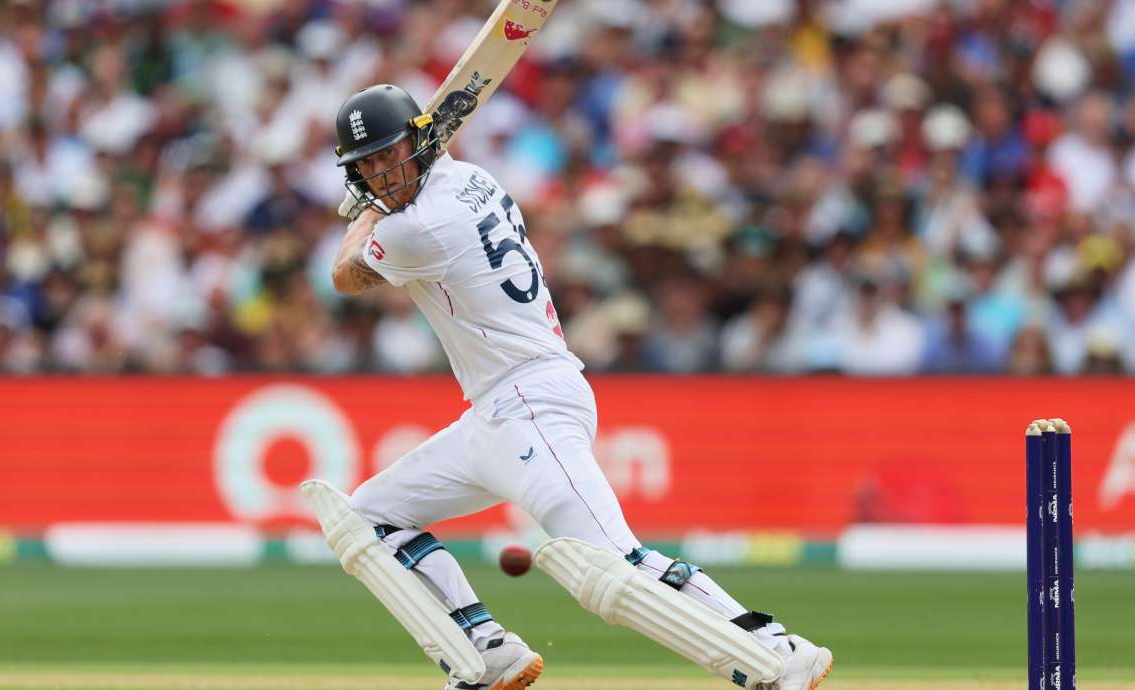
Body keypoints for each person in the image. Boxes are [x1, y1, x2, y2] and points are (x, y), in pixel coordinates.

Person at [327, 84, 833, 690]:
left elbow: (344, 277)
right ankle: (486, 648)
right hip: (496, 411)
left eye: (391, 154)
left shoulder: (419, 228)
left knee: (615, 564)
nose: (382, 173)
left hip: (530, 404)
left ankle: (776, 646)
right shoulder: (471, 177)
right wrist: (387, 199)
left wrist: (365, 212)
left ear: (421, 139)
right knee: (372, 519)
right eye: (368, 164)